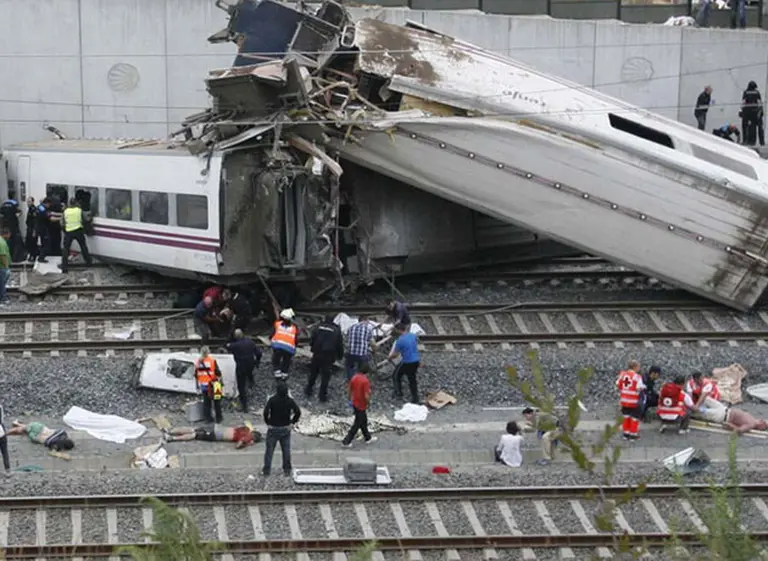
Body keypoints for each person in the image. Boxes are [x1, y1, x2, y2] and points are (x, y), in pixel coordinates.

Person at [262, 381, 301, 476]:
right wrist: (292, 423)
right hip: (285, 428)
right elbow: (298, 412)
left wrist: (268, 423)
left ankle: (266, 471)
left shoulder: (272, 400)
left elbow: (265, 412)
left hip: (273, 428)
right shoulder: (290, 400)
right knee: (286, 450)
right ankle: (287, 470)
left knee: (269, 451)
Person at [306, 314, 344, 402]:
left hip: (317, 353)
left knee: (313, 373)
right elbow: (339, 344)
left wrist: (313, 348)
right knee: (325, 376)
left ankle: (309, 389)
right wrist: (340, 355)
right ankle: (322, 395)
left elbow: (312, 339)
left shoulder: (318, 327)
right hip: (329, 356)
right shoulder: (336, 330)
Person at [225, 329, 262, 413]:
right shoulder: (250, 342)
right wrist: (257, 361)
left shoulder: (234, 345)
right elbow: (259, 353)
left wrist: (230, 338)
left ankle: (245, 406)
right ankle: (251, 381)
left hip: (241, 367)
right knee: (249, 373)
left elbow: (226, 345)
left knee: (241, 387)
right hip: (250, 364)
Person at [342, 363, 377, 448]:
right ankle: (346, 441)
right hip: (361, 404)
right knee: (357, 423)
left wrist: (349, 398)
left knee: (363, 421)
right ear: (367, 372)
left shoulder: (354, 377)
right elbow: (366, 395)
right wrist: (369, 402)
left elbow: (350, 389)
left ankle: (367, 437)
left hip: (355, 402)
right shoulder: (365, 381)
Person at [388, 323, 421, 404]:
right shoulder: (412, 335)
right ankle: (415, 398)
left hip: (407, 362)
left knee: (396, 375)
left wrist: (389, 358)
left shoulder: (400, 340)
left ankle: (398, 393)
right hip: (416, 361)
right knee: (412, 379)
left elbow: (395, 354)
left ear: (398, 330)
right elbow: (417, 341)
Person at [163, 423, 262, 449]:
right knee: (195, 435)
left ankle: (170, 431)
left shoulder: (246, 429)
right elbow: (238, 446)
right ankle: (172, 438)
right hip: (216, 435)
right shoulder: (248, 438)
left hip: (217, 427)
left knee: (192, 429)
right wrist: (247, 444)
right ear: (254, 438)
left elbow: (239, 427)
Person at [60, 198, 93, 274]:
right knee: (83, 246)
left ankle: (64, 267)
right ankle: (88, 262)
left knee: (66, 249)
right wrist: (90, 217)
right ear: (75, 203)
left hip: (69, 232)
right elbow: (85, 219)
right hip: (78, 231)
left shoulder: (65, 211)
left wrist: (65, 230)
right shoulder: (79, 210)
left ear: (69, 203)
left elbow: (62, 223)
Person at [616, 360, 645, 440]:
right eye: (638, 367)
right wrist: (643, 387)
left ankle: (626, 434)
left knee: (626, 417)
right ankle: (633, 434)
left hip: (624, 400)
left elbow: (618, 384)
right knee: (635, 418)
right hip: (633, 401)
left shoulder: (622, 375)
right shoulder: (637, 377)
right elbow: (638, 388)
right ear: (635, 367)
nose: (639, 369)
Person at [195, 346, 224, 423]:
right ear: (208, 352)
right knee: (217, 402)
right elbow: (218, 373)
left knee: (206, 403)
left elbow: (196, 375)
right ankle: (219, 418)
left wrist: (197, 386)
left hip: (204, 386)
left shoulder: (198, 362)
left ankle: (208, 419)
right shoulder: (212, 361)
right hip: (215, 384)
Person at [6, 420, 75, 451]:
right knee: (21, 430)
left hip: (40, 429)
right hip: (38, 435)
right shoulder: (53, 443)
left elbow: (61, 431)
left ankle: (16, 424)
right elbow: (50, 446)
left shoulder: (61, 434)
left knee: (23, 430)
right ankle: (6, 432)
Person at [271, 308, 299, 376]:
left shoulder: (277, 324)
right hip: (289, 348)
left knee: (276, 359)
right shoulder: (294, 328)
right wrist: (295, 347)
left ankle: (277, 371)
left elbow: (273, 334)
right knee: (286, 361)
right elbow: (296, 339)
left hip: (277, 346)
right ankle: (284, 373)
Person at [741, 81, 763, 146]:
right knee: (755, 127)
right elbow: (759, 102)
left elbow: (743, 102)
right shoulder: (757, 92)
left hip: (747, 112)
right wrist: (760, 111)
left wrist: (743, 110)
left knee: (746, 127)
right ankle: (757, 142)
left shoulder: (745, 92)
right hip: (755, 112)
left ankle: (746, 141)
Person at [35, 198, 54, 263]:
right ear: (47, 203)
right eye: (49, 204)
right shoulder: (43, 210)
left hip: (39, 228)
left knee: (43, 243)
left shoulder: (39, 207)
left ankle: (41, 257)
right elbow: (51, 218)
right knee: (46, 244)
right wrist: (61, 218)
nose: (49, 206)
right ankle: (41, 258)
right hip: (42, 229)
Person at [24, 197, 38, 263]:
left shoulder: (34, 209)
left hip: (32, 230)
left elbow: (35, 222)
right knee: (29, 243)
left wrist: (34, 231)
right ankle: (30, 255)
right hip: (29, 229)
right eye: (27, 202)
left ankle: (33, 256)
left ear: (33, 202)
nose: (28, 203)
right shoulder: (30, 209)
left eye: (29, 202)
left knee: (33, 244)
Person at [0, 230, 10, 306]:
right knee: (2, 283)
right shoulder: (2, 242)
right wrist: (6, 267)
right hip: (2, 267)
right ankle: (3, 298)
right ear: (6, 234)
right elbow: (2, 255)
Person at [0, 405, 10, 478]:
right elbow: (2, 420)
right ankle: (8, 471)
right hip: (1, 432)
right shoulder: (0, 407)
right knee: (5, 452)